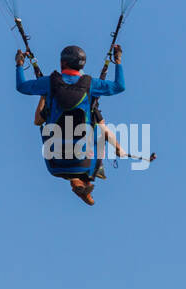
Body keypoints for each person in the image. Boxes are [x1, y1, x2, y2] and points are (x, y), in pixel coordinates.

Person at [15, 43, 124, 205]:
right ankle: (83, 181)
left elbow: (21, 87)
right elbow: (119, 86)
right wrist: (118, 61)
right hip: (83, 161)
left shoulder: (49, 83)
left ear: (62, 63)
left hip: (55, 162)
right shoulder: (91, 85)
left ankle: (78, 182)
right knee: (95, 128)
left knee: (58, 134)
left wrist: (19, 65)